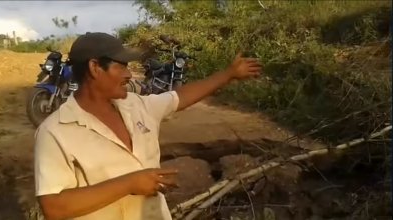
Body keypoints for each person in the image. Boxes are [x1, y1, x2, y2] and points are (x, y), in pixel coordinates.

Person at [34, 32, 262, 220]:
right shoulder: (55, 132)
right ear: (95, 68)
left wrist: (229, 74)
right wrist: (130, 183)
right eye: (121, 66)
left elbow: (179, 97)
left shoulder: (137, 106)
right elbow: (54, 207)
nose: (129, 74)